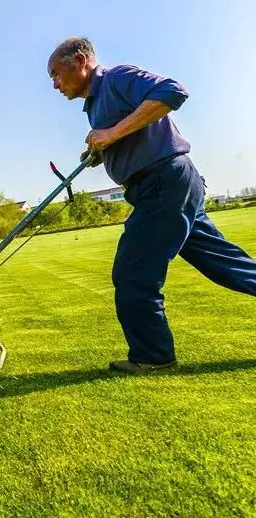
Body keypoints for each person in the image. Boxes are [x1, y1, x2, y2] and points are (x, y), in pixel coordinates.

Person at [47, 37, 256, 374]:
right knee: (226, 264)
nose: (55, 84)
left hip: (165, 183)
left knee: (133, 271)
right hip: (165, 186)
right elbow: (129, 136)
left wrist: (111, 134)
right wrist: (100, 151)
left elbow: (173, 91)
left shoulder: (116, 79)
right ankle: (153, 353)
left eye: (56, 74)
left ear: (81, 60)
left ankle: (153, 356)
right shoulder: (95, 105)